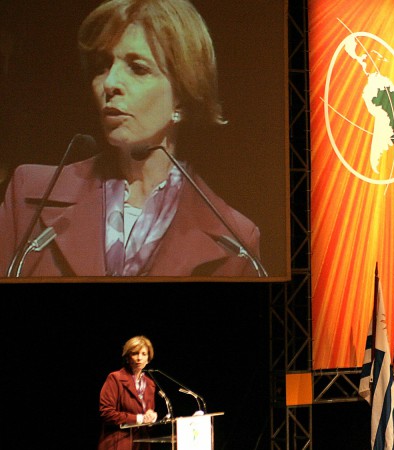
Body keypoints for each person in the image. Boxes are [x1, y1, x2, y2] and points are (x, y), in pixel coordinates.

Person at [0, 0, 261, 278]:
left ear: (182, 98)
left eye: (137, 68)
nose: (110, 83)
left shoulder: (235, 241)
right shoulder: (30, 195)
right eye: (103, 66)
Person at [98, 335, 158, 450]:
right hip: (118, 442)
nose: (139, 358)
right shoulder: (115, 378)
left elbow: (147, 418)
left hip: (141, 443)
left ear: (148, 359)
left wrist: (151, 418)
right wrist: (138, 419)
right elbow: (106, 413)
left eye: (144, 354)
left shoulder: (150, 384)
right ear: (127, 357)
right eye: (135, 353)